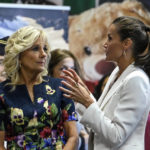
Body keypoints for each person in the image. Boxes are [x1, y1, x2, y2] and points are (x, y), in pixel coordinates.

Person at [59, 16, 150, 150]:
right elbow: (98, 125)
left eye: (110, 38)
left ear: (126, 43)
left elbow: (116, 136)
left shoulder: (136, 80)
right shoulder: (116, 73)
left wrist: (87, 101)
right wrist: (82, 96)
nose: (105, 43)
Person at [0, 26, 78, 150]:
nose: (43, 54)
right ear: (19, 55)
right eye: (36, 49)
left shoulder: (60, 86)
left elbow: (73, 136)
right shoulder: (2, 93)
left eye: (45, 49)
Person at [48, 49, 89, 150]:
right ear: (50, 71)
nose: (69, 73)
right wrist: (82, 139)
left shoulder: (81, 99)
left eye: (72, 68)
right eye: (63, 69)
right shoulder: (45, 101)